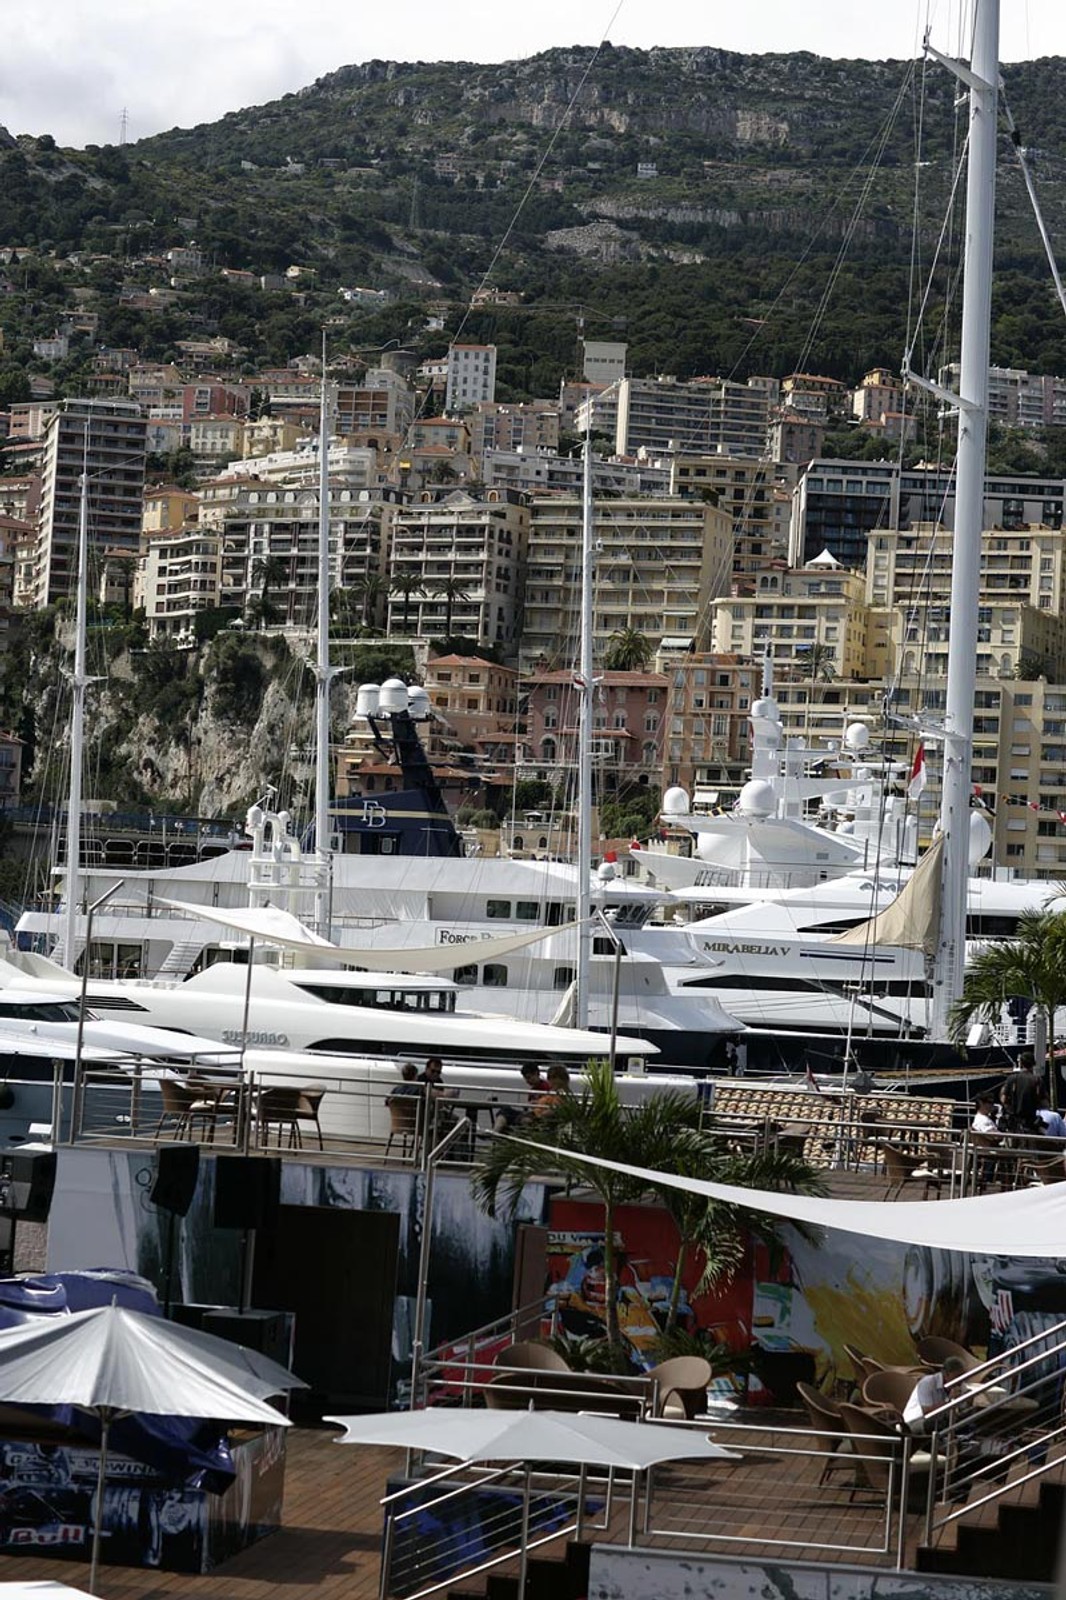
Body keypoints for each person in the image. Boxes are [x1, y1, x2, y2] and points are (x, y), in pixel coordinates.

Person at [903, 1355, 970, 1435]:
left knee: (966, 1423)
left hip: (941, 1420)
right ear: (946, 1374)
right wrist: (948, 1401)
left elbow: (962, 1410)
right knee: (936, 1425)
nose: (961, 1380)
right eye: (957, 1376)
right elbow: (926, 1411)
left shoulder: (960, 1385)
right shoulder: (927, 1383)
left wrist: (968, 1402)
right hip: (916, 1421)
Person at [493, 1063, 549, 1132]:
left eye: (529, 1077)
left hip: (536, 1115)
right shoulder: (533, 1090)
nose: (527, 1081)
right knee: (505, 1110)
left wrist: (536, 1103)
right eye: (526, 1078)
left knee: (507, 1113)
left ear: (536, 1073)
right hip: (532, 1114)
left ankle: (496, 1131)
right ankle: (495, 1130)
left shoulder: (546, 1087)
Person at [1000, 1053, 1041, 1135]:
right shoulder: (1037, 1080)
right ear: (1034, 1064)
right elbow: (1044, 1102)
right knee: (1030, 1146)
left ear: (1020, 1063)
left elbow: (1003, 1099)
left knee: (1013, 1146)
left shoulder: (1011, 1079)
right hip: (1030, 1123)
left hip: (1013, 1124)